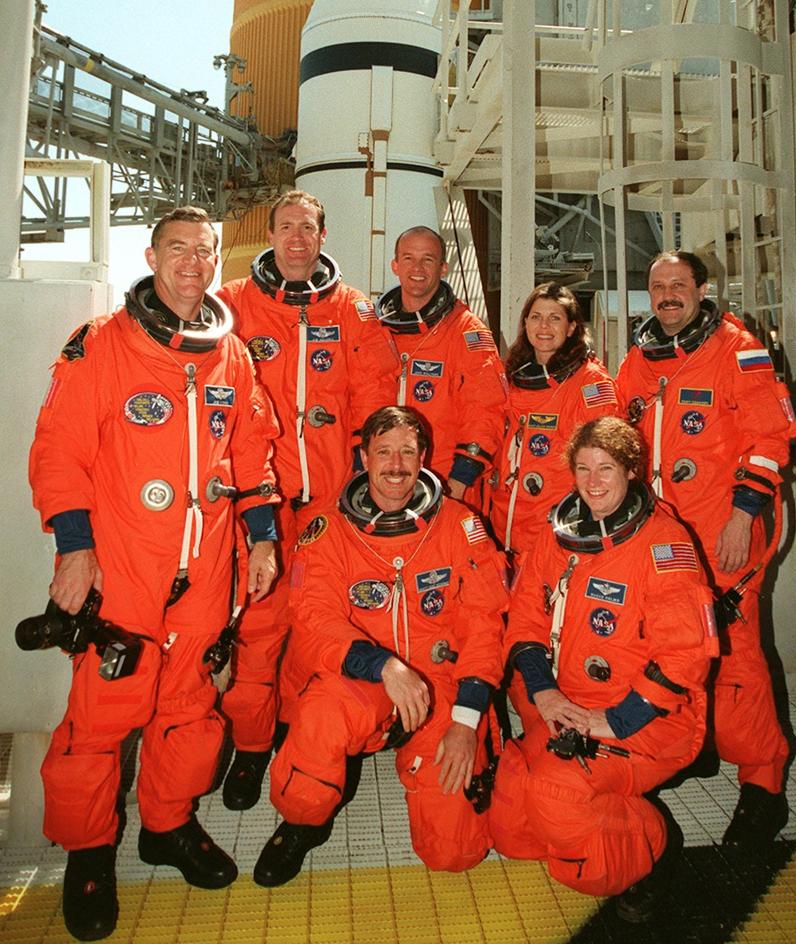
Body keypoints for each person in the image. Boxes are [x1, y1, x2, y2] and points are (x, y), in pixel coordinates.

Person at [29, 207, 280, 943]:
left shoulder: (232, 356)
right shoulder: (103, 344)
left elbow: (252, 452)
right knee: (101, 717)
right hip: (125, 568)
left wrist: (264, 539)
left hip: (206, 570)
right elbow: (59, 451)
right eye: (178, 248)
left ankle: (167, 826)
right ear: (151, 256)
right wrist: (75, 549)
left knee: (191, 705)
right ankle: (88, 852)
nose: (193, 262)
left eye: (204, 250)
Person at [252, 405, 509, 887]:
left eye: (407, 452)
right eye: (384, 452)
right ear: (364, 458)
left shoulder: (460, 525)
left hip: (439, 686)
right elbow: (314, 618)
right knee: (318, 729)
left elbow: (485, 626)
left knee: (454, 850)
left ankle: (466, 758)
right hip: (364, 682)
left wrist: (467, 720)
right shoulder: (328, 528)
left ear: (424, 458)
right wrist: (384, 666)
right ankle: (304, 821)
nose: (396, 465)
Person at [490, 417, 717, 921]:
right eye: (583, 468)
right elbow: (524, 617)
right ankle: (592, 817)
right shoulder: (557, 534)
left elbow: (686, 656)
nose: (593, 482)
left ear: (631, 471)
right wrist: (544, 692)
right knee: (512, 825)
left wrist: (616, 721)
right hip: (568, 703)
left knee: (559, 801)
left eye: (607, 468)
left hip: (649, 718)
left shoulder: (664, 545)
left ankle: (655, 844)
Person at [218, 190, 398, 811]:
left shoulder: (354, 310)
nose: (297, 238)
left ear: (324, 236)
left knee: (320, 622)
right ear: (270, 235)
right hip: (261, 499)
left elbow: (375, 395)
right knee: (258, 626)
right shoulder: (233, 304)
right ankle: (250, 746)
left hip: (328, 500)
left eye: (308, 228)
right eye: (286, 227)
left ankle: (304, 742)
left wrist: (362, 479)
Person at [616, 250, 796, 849]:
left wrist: (744, 516)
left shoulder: (737, 350)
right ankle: (696, 744)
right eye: (658, 286)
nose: (668, 295)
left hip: (723, 533)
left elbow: (770, 438)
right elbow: (619, 432)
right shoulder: (640, 359)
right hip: (662, 539)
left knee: (735, 658)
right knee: (670, 647)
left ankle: (764, 787)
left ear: (700, 290)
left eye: (679, 284)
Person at [377, 226, 507, 504]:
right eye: (409, 258)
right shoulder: (375, 330)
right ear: (395, 265)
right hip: (385, 479)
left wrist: (459, 480)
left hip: (445, 481)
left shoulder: (466, 331)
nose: (418, 268)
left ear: (443, 268)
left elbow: (486, 409)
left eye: (428, 259)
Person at [490, 282, 619, 559]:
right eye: (536, 317)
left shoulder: (590, 383)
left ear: (571, 327)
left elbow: (604, 458)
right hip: (505, 523)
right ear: (525, 323)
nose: (544, 326)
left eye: (555, 318)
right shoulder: (511, 376)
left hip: (555, 526)